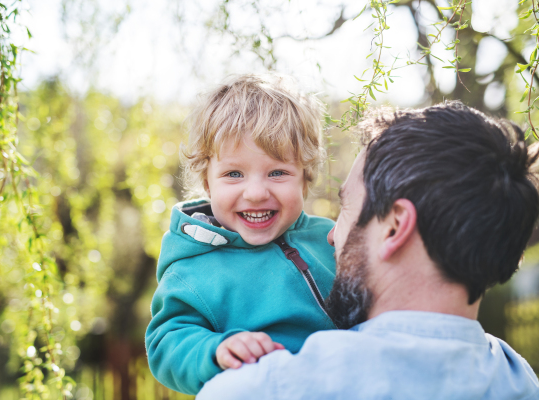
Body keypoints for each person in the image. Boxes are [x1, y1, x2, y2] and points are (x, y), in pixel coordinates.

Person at [197, 101, 539, 399]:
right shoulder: (522, 382)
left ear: (394, 227)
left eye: (346, 208)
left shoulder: (259, 389)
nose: (331, 236)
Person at [145, 74, 337, 395]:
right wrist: (215, 349)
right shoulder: (192, 267)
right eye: (234, 174)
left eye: (277, 172)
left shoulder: (330, 239)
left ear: (305, 177)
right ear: (208, 183)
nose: (257, 192)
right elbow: (167, 343)